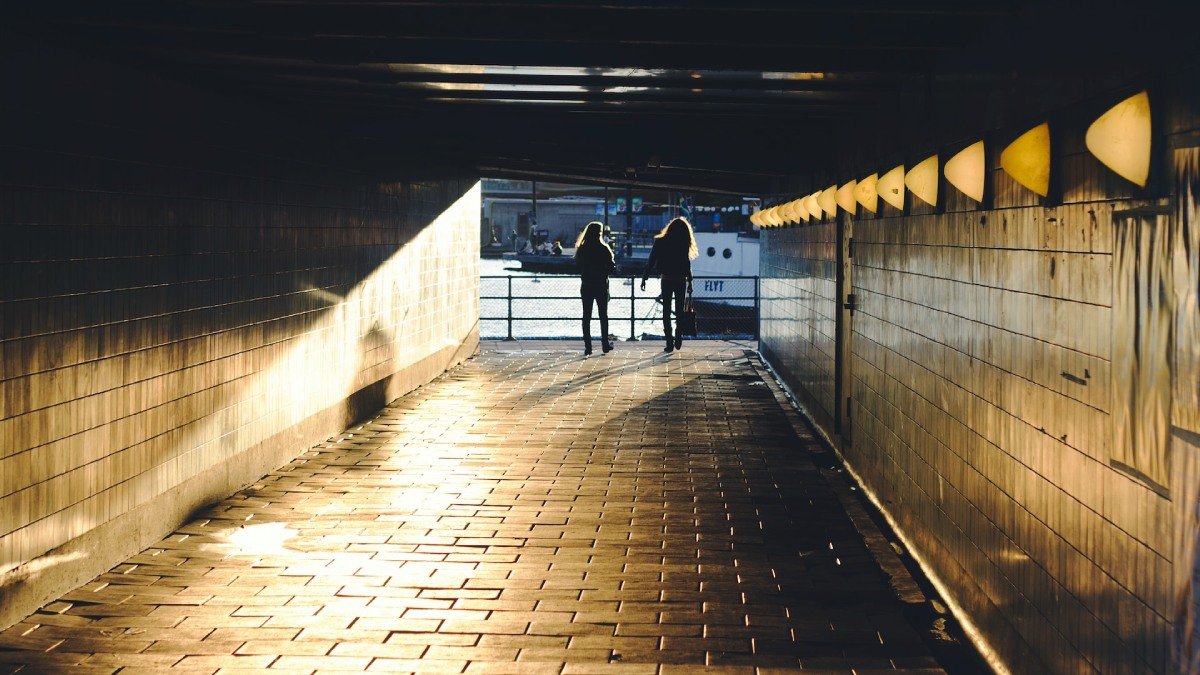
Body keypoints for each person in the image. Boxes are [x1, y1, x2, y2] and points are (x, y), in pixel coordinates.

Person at [640, 217, 698, 353]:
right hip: (680, 280)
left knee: (666, 311)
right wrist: (690, 281)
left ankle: (669, 342)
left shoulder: (660, 241)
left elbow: (651, 260)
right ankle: (678, 335)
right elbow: (686, 264)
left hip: (666, 279)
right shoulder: (683, 243)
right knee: (679, 311)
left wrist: (645, 277)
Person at [575, 221, 615, 356]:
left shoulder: (582, 248)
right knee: (603, 316)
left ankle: (588, 347)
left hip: (586, 285)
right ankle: (605, 344)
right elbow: (611, 268)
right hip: (601, 285)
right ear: (600, 233)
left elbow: (578, 265)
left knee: (586, 316)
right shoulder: (604, 249)